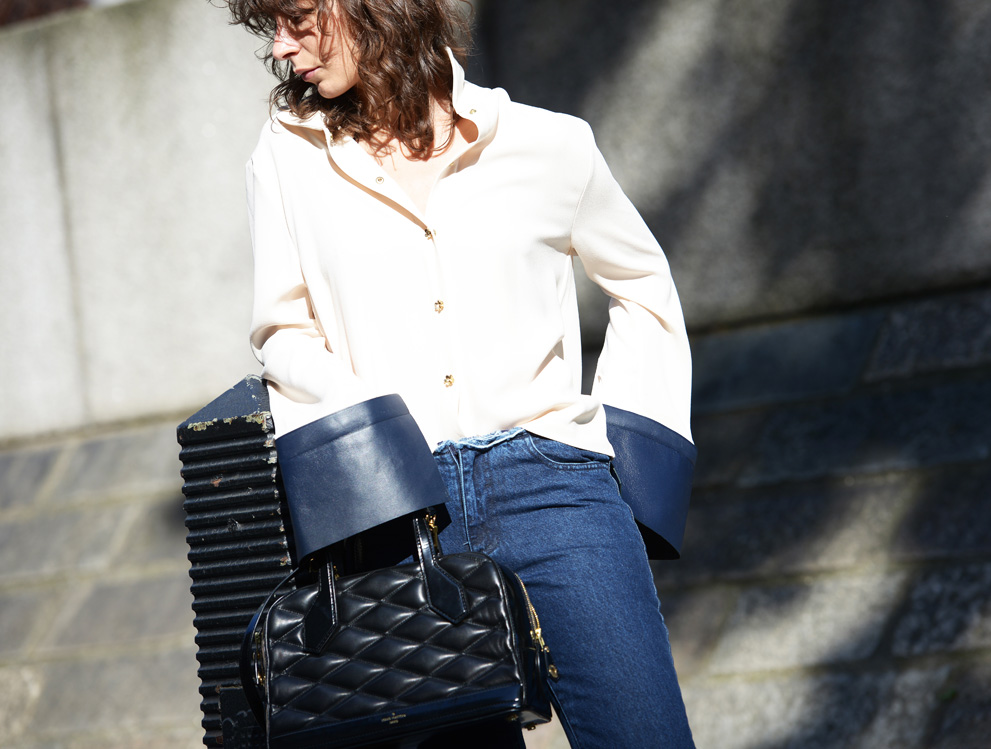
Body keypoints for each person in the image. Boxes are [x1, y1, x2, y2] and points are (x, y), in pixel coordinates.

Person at [226, 0, 698, 746]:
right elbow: (282, 330)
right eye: (271, 27)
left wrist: (628, 460)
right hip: (398, 513)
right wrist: (379, 440)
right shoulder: (288, 154)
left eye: (299, 16)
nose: (283, 47)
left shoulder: (550, 145)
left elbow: (642, 285)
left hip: (556, 487)